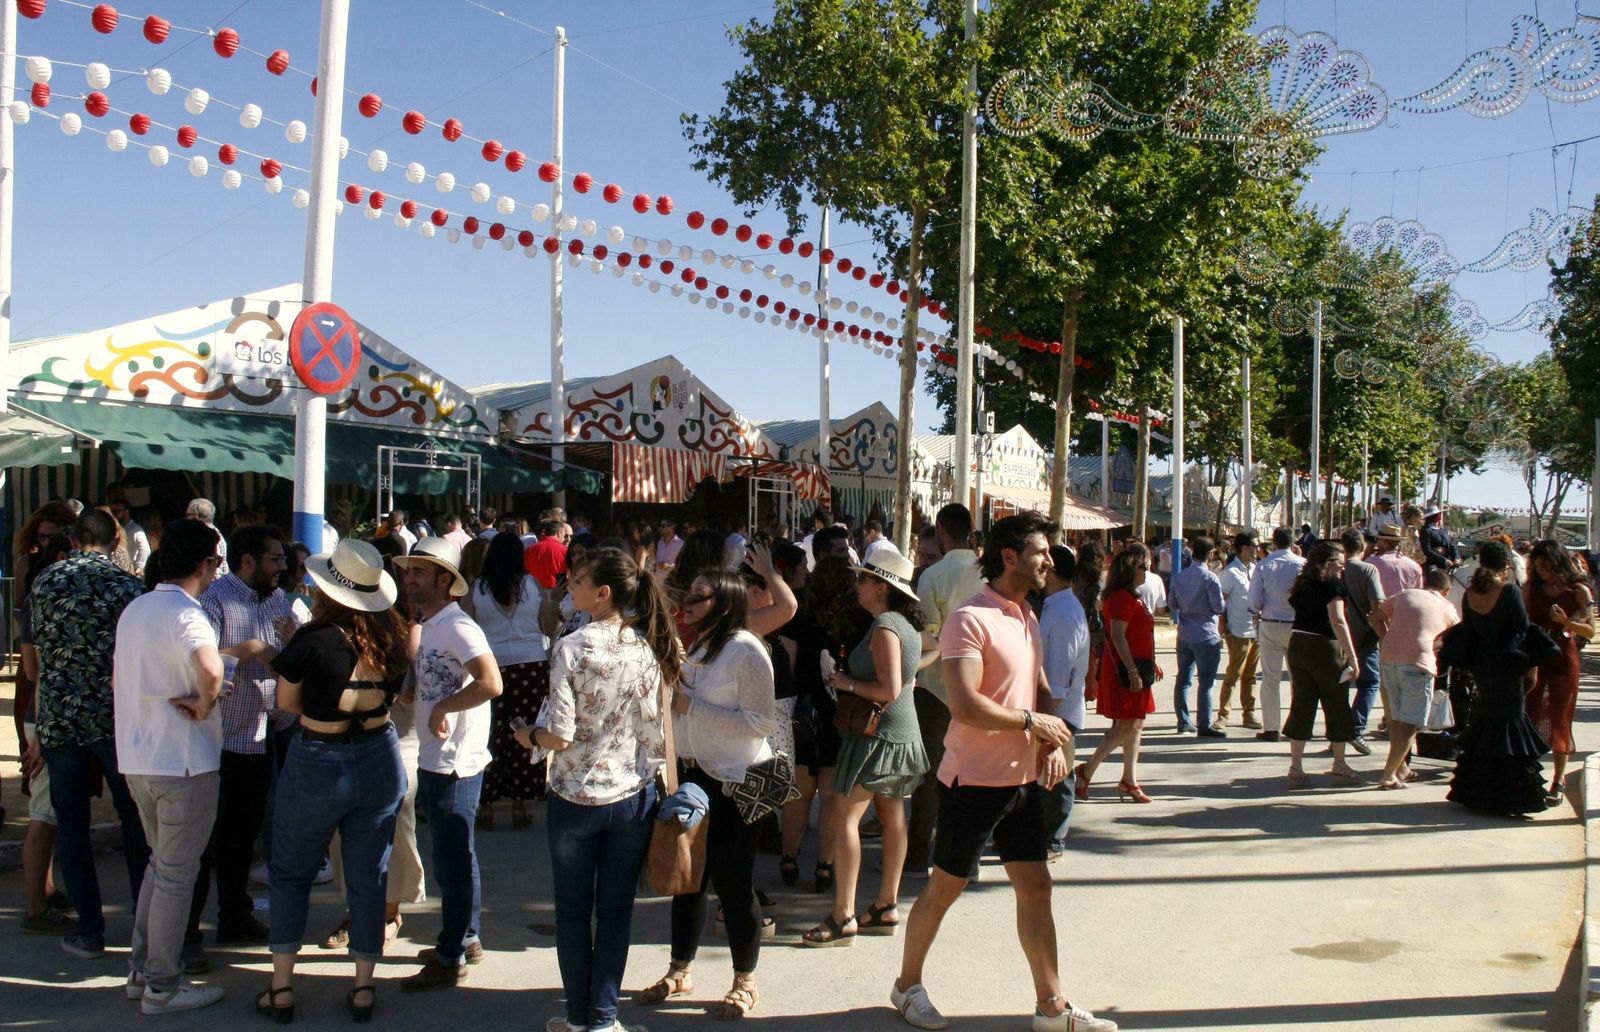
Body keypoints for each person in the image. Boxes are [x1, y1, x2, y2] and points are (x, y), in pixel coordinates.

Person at [892, 512, 1112, 1032]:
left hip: (1022, 783)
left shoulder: (1026, 615)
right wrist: (1035, 723)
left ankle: (1051, 1007)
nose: (1050, 560)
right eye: (1040, 551)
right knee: (944, 889)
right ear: (1009, 557)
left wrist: (1052, 737)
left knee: (1036, 886)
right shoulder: (969, 619)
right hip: (972, 782)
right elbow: (967, 706)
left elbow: (1038, 688)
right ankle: (906, 986)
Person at [515, 547, 680, 1032]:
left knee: (572, 915)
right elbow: (654, 733)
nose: (569, 584)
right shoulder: (643, 648)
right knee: (614, 914)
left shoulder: (571, 646)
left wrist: (529, 737)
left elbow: (560, 734)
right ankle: (604, 1018)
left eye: (577, 579)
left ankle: (577, 1016)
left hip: (573, 796)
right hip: (631, 795)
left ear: (602, 592)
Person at [254, 539, 410, 1022]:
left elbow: (288, 705)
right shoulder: (395, 636)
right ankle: (363, 985)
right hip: (380, 753)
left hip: (320, 756)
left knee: (291, 872)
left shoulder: (313, 638)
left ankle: (282, 987)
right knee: (368, 877)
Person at [637, 570, 779, 1020]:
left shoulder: (746, 650)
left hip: (744, 777)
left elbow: (761, 722)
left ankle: (745, 981)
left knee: (734, 883)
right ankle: (680, 970)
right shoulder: (697, 646)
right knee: (687, 879)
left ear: (723, 601)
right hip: (697, 777)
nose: (689, 602)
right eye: (689, 594)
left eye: (699, 596)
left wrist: (693, 707)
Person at [114, 517, 230, 1013]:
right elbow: (210, 668)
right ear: (205, 565)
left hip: (139, 759)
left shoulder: (137, 608)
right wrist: (205, 703)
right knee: (175, 875)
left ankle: (144, 972)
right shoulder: (187, 613)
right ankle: (161, 981)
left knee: (161, 870)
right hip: (182, 763)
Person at [31, 508, 150, 959]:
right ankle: (145, 922)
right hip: (114, 719)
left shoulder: (47, 581)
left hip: (61, 716)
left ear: (78, 537)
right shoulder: (127, 586)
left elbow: (38, 652)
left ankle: (90, 930)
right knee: (134, 821)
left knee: (72, 827)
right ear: (115, 537)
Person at [392, 538, 504, 991]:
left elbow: (491, 683)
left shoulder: (459, 627)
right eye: (408, 570)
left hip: (457, 762)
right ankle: (466, 938)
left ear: (446, 580)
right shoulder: (432, 624)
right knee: (459, 856)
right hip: (439, 758)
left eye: (419, 571)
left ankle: (450, 955)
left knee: (452, 862)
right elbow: (440, 676)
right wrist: (417, 693)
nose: (409, 578)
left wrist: (442, 709)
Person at [803, 551, 929, 948]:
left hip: (878, 737)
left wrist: (845, 684)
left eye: (862, 580)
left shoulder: (885, 627)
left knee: (843, 817)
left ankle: (843, 915)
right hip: (899, 732)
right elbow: (918, 664)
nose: (856, 586)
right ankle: (885, 905)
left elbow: (888, 687)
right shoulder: (902, 625)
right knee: (892, 816)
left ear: (881, 587)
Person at [187, 525, 301, 960]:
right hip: (218, 739)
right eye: (274, 559)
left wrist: (292, 646)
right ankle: (187, 934)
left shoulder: (277, 600)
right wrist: (248, 650)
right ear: (247, 561)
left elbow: (288, 654)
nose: (282, 566)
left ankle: (234, 914)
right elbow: (204, 667)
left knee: (241, 836)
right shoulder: (213, 601)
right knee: (204, 841)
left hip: (261, 733)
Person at [907, 503, 985, 880]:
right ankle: (966, 857)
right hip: (984, 686)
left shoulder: (933, 575)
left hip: (937, 685)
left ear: (941, 529)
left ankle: (918, 854)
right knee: (974, 774)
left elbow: (929, 633)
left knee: (931, 776)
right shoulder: (990, 575)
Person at [1446, 541, 1551, 815]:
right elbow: (1523, 635)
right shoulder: (1509, 591)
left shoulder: (1470, 594)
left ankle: (1480, 792)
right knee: (1510, 725)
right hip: (1508, 668)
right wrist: (1532, 670)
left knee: (1488, 721)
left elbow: (1469, 633)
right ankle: (1510, 797)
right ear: (1506, 566)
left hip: (1483, 668)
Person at [467, 532, 550, 830]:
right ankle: (519, 803)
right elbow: (549, 625)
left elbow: (467, 628)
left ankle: (486, 804)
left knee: (490, 734)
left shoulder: (477, 588)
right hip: (531, 666)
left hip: (491, 666)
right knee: (526, 733)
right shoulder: (532, 585)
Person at [14, 531, 73, 935]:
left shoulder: (39, 596)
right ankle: (35, 906)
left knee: (49, 813)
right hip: (49, 715)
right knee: (43, 815)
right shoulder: (47, 597)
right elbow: (33, 672)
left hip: (46, 715)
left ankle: (46, 891)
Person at [1076, 543, 1159, 804]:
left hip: (1137, 666)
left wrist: (1149, 663)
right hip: (1126, 669)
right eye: (1142, 566)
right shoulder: (1121, 598)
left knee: (1135, 724)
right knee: (1128, 724)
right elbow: (1118, 636)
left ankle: (1129, 779)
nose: (1146, 570)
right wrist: (1133, 670)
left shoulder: (1131, 596)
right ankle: (1087, 770)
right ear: (1128, 570)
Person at [1369, 569, 1459, 789]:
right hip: (1418, 662)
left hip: (1389, 659)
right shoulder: (1447, 608)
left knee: (1397, 720)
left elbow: (1375, 617)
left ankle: (1401, 768)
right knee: (1411, 723)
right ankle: (1389, 774)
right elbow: (1457, 638)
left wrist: (1386, 637)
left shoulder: (1405, 595)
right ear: (1446, 591)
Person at [1283, 543, 1363, 787]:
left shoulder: (1302, 585)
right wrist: (1352, 656)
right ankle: (1340, 764)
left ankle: (1295, 766)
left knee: (1302, 704)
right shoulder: (1333, 586)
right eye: (1339, 560)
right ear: (1327, 562)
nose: (1343, 565)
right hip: (1325, 647)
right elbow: (1338, 621)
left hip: (1297, 644)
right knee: (1337, 702)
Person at [1523, 540, 1595, 807]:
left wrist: (1566, 622)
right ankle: (1528, 774)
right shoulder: (1532, 588)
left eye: (1546, 566)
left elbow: (1590, 631)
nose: (1541, 571)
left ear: (1558, 562)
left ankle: (1559, 778)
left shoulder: (1578, 591)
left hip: (1563, 658)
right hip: (1534, 656)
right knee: (1528, 714)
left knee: (1560, 719)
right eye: (1537, 566)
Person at [1040, 545, 1089, 857]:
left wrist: (1051, 724)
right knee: (1051, 775)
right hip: (1052, 709)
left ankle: (1053, 839)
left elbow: (1060, 675)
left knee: (1059, 776)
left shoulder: (1064, 614)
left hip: (1059, 711)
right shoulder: (1055, 606)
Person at [1248, 527, 1305, 743]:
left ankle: (1271, 728)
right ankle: (1297, 726)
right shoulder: (1303, 565)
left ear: (1273, 542)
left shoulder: (1264, 566)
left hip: (1270, 624)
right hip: (1298, 626)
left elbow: (1253, 600)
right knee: (1298, 679)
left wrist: (1257, 613)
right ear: (1293, 543)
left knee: (1270, 678)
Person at [1170, 537, 1227, 737]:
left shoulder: (1179, 577)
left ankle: (1183, 721)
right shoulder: (1210, 578)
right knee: (1206, 683)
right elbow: (1219, 607)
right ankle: (1204, 723)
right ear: (1210, 554)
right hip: (1206, 633)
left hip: (1185, 632)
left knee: (1183, 679)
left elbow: (1173, 604)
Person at [1339, 529, 1385, 754]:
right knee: (1370, 683)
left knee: (1340, 686)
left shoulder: (1335, 569)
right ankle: (1355, 729)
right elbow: (1377, 605)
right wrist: (1384, 633)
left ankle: (1337, 733)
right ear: (1363, 545)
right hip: (1364, 636)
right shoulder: (1368, 570)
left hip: (1338, 636)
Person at [1215, 532, 1260, 731]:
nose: (1257, 550)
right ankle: (1223, 715)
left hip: (1256, 631)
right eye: (1254, 547)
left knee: (1250, 676)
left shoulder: (1256, 569)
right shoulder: (1230, 573)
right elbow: (1221, 603)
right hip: (1238, 631)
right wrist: (1223, 627)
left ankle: (1248, 714)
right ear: (1243, 548)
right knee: (1233, 674)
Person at [1368, 523, 1423, 599]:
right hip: (1404, 608)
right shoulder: (1415, 566)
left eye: (1378, 539)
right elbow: (1418, 596)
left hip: (1380, 609)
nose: (1377, 543)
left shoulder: (1370, 563)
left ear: (1384, 541)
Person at [109, 496, 153, 573]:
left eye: (116, 511)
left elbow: (145, 549)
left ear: (126, 511)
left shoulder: (135, 529)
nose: (113, 515)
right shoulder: (116, 528)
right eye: (111, 512)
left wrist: (137, 567)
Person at [523, 517, 568, 591]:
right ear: (559, 533)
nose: (564, 538)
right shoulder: (564, 550)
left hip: (534, 592)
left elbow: (526, 571)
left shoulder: (530, 549)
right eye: (564, 535)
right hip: (557, 593)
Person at [186, 498, 229, 574]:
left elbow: (213, 571)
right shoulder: (212, 532)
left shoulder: (207, 536)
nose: (186, 519)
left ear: (195, 517)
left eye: (187, 515)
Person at [1419, 508, 1460, 575]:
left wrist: (1456, 558)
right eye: (1439, 514)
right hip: (1433, 563)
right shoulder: (1426, 531)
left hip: (1448, 563)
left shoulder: (1443, 530)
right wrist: (1444, 560)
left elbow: (1452, 545)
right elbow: (1427, 550)